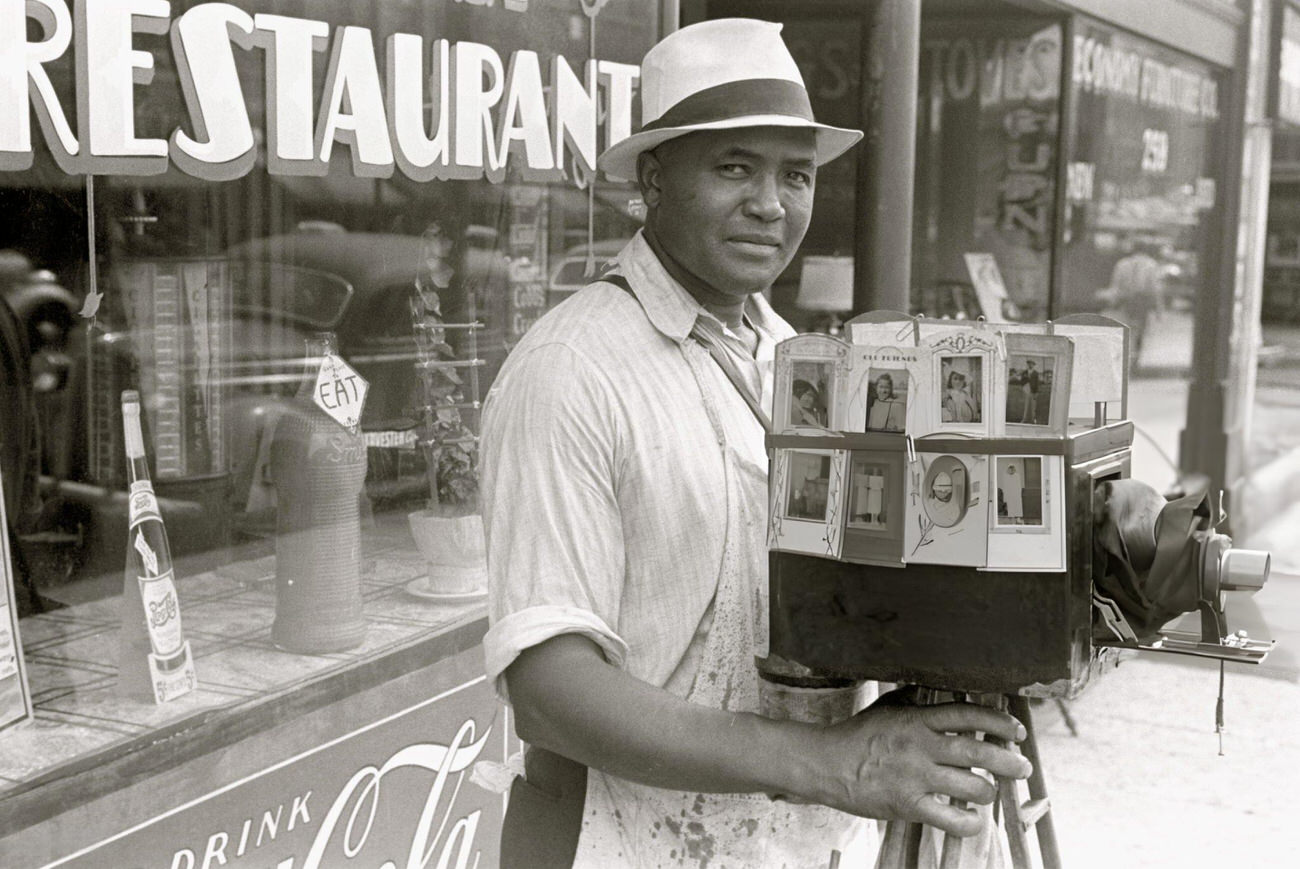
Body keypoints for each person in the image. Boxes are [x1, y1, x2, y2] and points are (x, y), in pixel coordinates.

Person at [481, 18, 1030, 868]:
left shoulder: (793, 360)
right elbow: (550, 691)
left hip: (794, 845)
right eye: (735, 166)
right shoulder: (571, 368)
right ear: (654, 179)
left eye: (796, 175)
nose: (771, 203)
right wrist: (833, 763)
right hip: (617, 846)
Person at [1020, 360, 1039, 424]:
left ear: (1033, 365)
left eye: (1032, 364)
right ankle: (1024, 419)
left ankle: (1033, 419)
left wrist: (1036, 392)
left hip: (1033, 391)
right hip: (1027, 391)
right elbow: (1022, 381)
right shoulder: (1024, 372)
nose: (1030, 365)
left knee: (1033, 406)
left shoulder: (1036, 373)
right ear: (1027, 365)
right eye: (1029, 364)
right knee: (1026, 406)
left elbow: (1037, 383)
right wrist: (1024, 386)